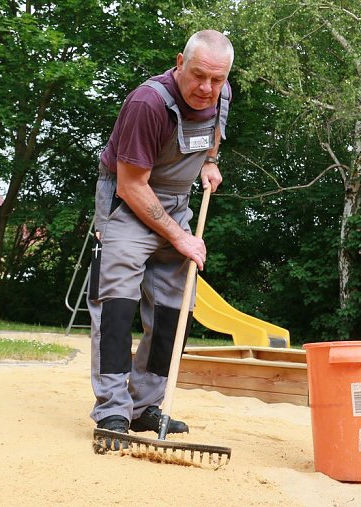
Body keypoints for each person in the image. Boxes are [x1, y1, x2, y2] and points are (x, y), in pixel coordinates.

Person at [88, 30, 234, 438]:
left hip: (176, 203)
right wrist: (181, 238)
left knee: (175, 312)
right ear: (180, 63)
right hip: (129, 202)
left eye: (217, 80)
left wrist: (210, 160)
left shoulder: (220, 93)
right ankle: (113, 410)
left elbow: (214, 129)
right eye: (199, 76)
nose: (206, 88)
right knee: (117, 305)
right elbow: (131, 185)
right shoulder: (147, 103)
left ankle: (146, 404)